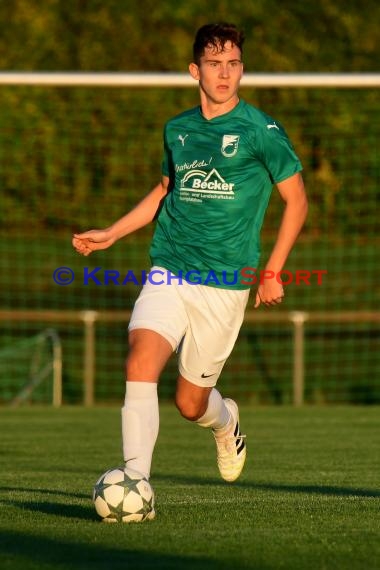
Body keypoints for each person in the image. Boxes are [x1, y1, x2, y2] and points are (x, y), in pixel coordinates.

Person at [73, 23, 308, 494]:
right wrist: (112, 233)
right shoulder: (177, 129)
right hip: (170, 266)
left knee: (189, 403)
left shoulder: (261, 131)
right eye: (215, 63)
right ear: (194, 69)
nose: (225, 73)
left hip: (225, 284)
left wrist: (272, 271)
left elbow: (298, 201)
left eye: (234, 63)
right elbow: (165, 191)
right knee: (140, 358)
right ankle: (136, 480)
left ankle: (225, 424)